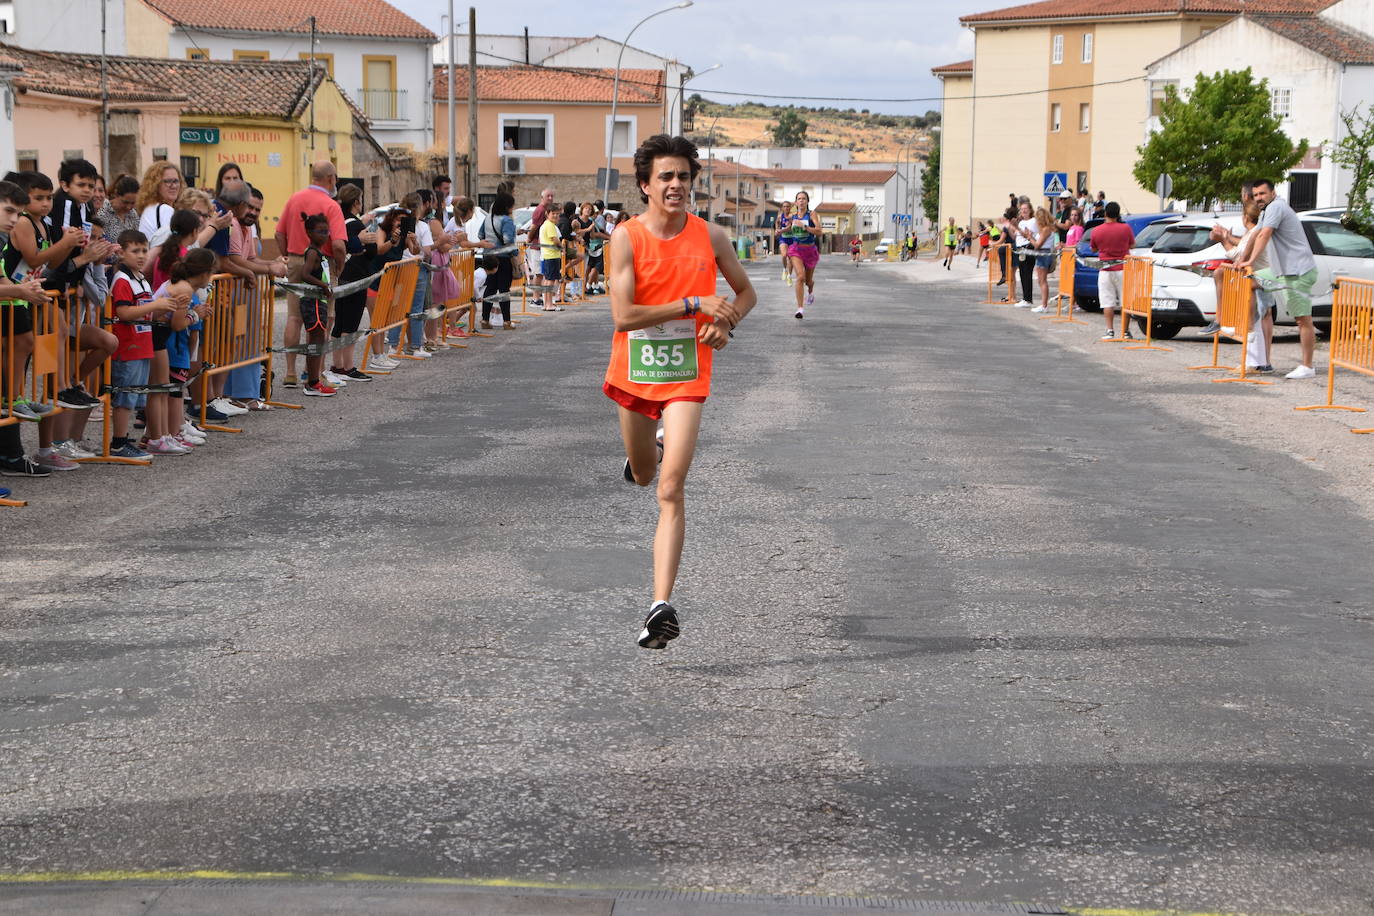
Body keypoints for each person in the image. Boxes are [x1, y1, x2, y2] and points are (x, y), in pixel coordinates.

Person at [603, 134, 757, 650]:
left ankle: (659, 607)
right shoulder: (625, 238)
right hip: (636, 372)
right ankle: (645, 457)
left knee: (671, 488)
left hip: (689, 375)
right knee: (646, 475)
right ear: (645, 185)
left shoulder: (710, 236)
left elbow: (745, 291)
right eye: (665, 177)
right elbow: (624, 317)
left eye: (684, 177)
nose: (676, 185)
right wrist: (693, 305)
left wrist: (727, 321)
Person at [1237, 178, 1320, 379]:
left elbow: (1265, 234)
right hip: (1280, 271)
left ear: (1272, 193)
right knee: (1249, 281)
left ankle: (1307, 366)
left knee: (1302, 320)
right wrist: (1242, 260)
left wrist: (1250, 260)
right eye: (1256, 195)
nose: (1259, 198)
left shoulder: (1276, 207)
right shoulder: (1266, 210)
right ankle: (1251, 332)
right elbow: (1256, 234)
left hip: (1297, 271)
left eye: (1263, 194)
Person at [275, 162, 347, 387]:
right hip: (322, 265)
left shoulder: (294, 198)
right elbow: (337, 245)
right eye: (335, 177)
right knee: (321, 320)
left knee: (294, 317)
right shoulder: (331, 205)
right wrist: (339, 266)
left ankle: (289, 372)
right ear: (330, 178)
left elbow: (278, 234)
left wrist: (288, 256)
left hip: (296, 259)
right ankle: (314, 371)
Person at [107, 229, 177, 459]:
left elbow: (145, 313)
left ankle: (125, 438)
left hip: (142, 344)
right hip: (128, 347)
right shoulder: (123, 279)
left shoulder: (141, 280)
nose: (141, 255)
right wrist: (155, 306)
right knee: (125, 396)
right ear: (122, 253)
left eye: (144, 250)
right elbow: (125, 312)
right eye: (134, 250)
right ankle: (118, 443)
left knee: (137, 396)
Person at [330, 182, 387, 380]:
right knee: (351, 324)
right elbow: (372, 252)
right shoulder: (355, 224)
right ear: (356, 202)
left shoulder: (339, 221)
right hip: (357, 277)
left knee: (339, 323)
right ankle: (347, 367)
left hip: (341, 276)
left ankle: (336, 365)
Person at [288, 213, 337, 396]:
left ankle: (313, 380)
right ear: (309, 232)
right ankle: (313, 383)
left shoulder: (319, 252)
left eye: (327, 231)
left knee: (318, 340)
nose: (325, 235)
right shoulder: (312, 252)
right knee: (316, 339)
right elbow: (305, 274)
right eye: (320, 232)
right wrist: (324, 285)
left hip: (319, 301)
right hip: (313, 302)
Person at [1091, 201, 1135, 340]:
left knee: (1107, 301)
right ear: (1118, 213)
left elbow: (1094, 248)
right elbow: (1132, 244)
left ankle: (1110, 330)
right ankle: (1126, 331)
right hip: (1123, 268)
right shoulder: (1125, 228)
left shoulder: (1097, 230)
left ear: (1105, 213)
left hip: (1105, 269)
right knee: (1125, 301)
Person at [478, 190, 518, 330]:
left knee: (490, 288)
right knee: (504, 290)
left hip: (488, 256)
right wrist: (515, 254)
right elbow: (508, 240)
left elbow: (480, 234)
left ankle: (484, 319)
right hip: (503, 257)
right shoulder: (506, 220)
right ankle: (506, 321)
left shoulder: (488, 218)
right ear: (507, 206)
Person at [785, 190, 822, 318]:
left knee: (808, 281)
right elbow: (789, 228)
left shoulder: (812, 214)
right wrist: (781, 230)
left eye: (804, 199)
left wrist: (805, 227)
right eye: (799, 199)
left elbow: (819, 231)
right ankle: (800, 309)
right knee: (800, 277)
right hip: (796, 250)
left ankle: (810, 290)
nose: (801, 201)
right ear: (796, 202)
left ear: (807, 201)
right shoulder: (793, 216)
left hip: (810, 250)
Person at [136, 161, 184, 241]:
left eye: (176, 181)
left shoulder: (152, 208)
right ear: (155, 185)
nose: (174, 186)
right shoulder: (164, 210)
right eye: (168, 181)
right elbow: (177, 245)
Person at [1028, 207, 1056, 313]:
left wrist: (1030, 237)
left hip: (1043, 254)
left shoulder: (1046, 229)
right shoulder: (1047, 229)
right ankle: (1043, 304)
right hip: (1043, 253)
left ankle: (1044, 305)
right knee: (1040, 280)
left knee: (1042, 281)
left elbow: (1037, 245)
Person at [1009, 201, 1038, 308]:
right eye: (1022, 209)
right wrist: (1011, 226)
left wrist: (1017, 227)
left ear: (1030, 210)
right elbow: (1014, 236)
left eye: (1025, 208)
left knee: (1027, 273)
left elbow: (1027, 235)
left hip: (1028, 247)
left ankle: (1028, 298)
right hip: (1020, 249)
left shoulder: (1033, 221)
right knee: (1022, 274)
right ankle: (1025, 297)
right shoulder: (1020, 223)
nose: (1024, 211)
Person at [97, 175, 142, 240]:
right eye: (125, 202)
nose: (128, 207)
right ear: (116, 195)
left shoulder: (133, 214)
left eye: (133, 203)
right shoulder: (103, 212)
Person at [776, 200, 794, 284]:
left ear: (790, 207)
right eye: (784, 206)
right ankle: (784, 270)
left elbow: (790, 228)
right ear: (782, 208)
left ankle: (789, 276)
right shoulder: (780, 216)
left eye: (788, 206)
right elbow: (777, 223)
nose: (786, 208)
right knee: (784, 255)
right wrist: (777, 229)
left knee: (790, 258)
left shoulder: (792, 216)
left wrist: (781, 231)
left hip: (792, 239)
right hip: (783, 239)